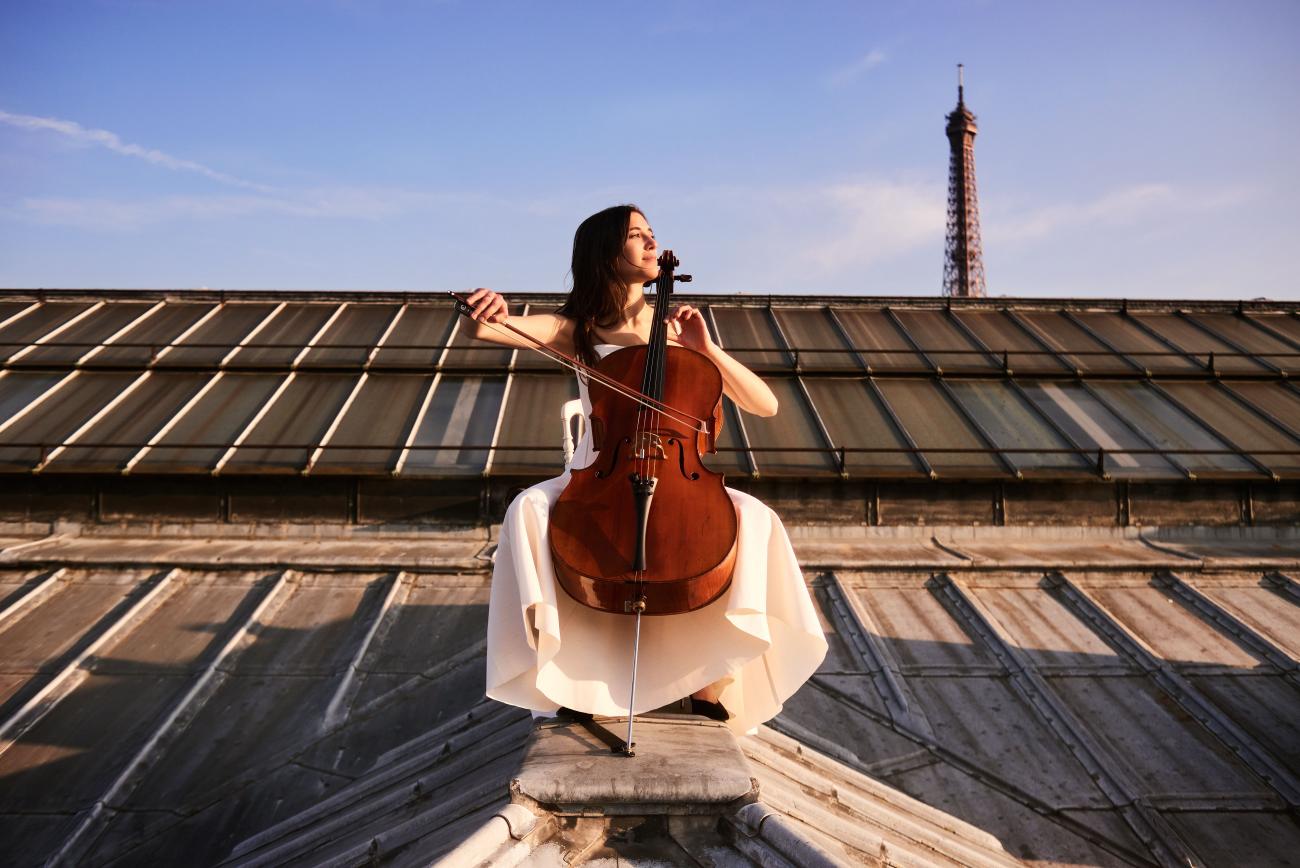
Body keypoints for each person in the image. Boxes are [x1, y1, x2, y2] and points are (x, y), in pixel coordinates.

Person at [464, 204, 826, 734]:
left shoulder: (678, 328)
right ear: (608, 255)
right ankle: (577, 674)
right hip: (598, 474)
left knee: (754, 518)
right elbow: (493, 331)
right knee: (528, 510)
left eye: (652, 235)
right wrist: (490, 309)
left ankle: (708, 675)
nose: (652, 244)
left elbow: (764, 404)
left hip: (679, 477)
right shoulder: (576, 331)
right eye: (637, 236)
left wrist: (705, 351)